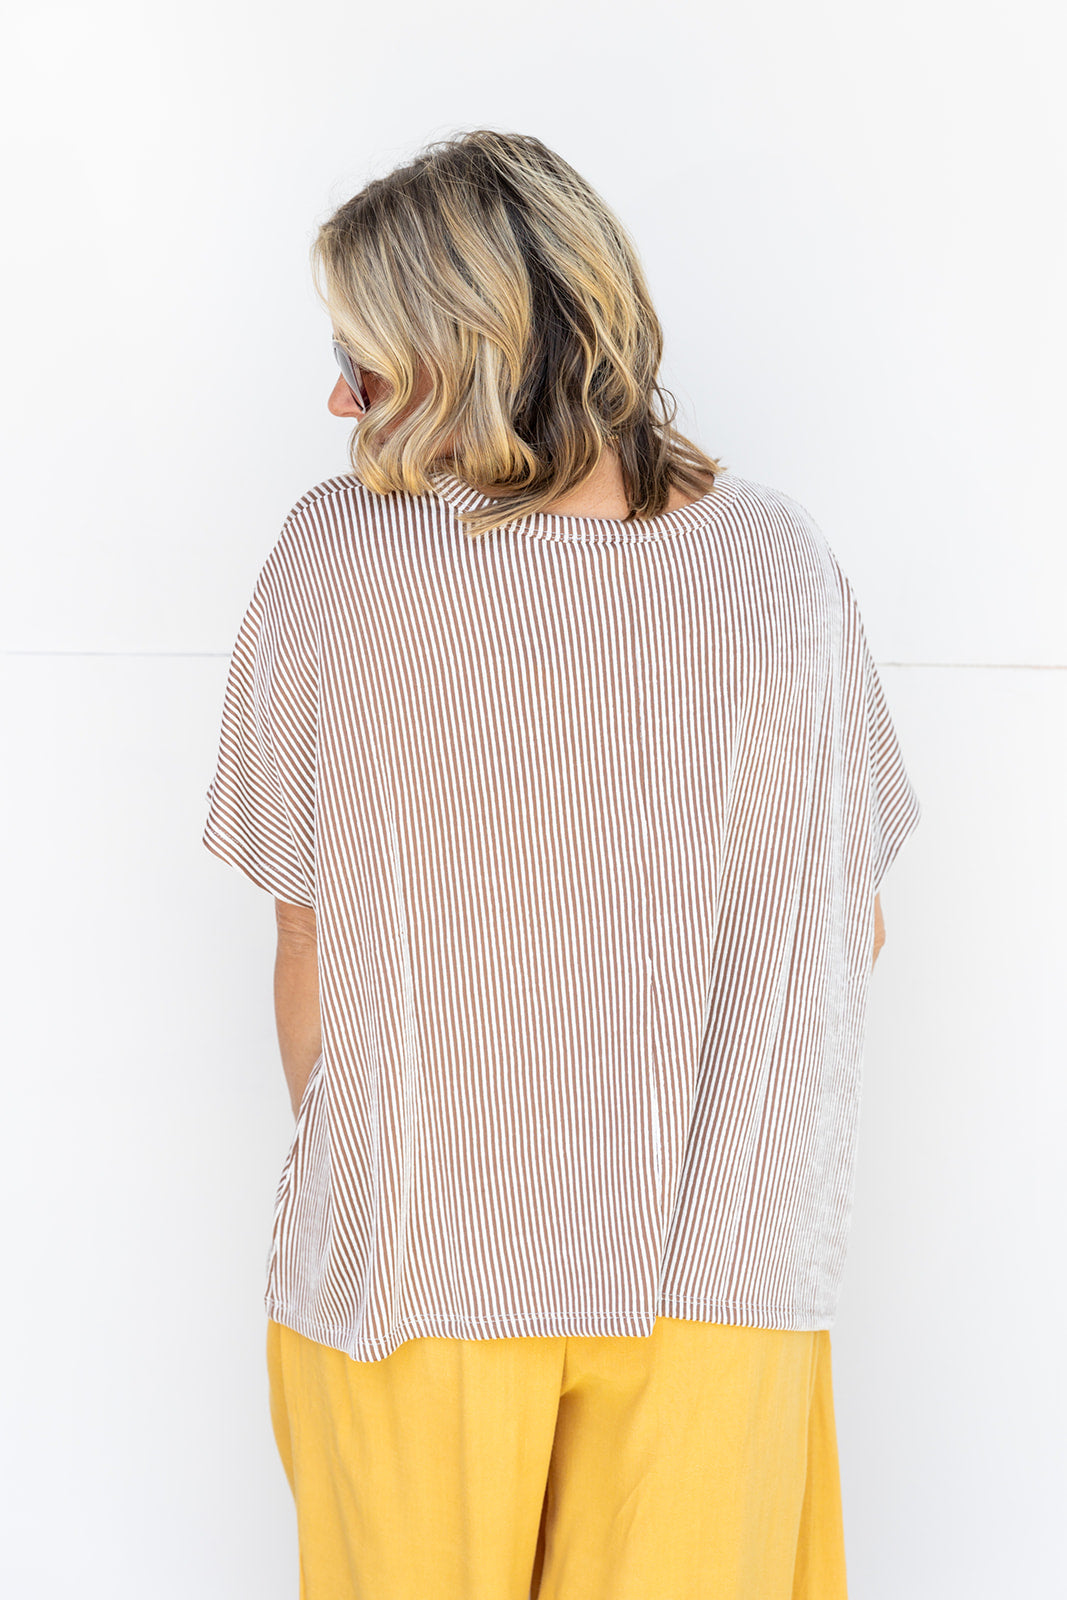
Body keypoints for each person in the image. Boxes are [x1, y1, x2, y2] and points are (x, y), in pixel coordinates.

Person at [202, 128, 921, 1600]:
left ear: (470, 353)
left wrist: (399, 1165)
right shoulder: (778, 570)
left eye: (363, 363)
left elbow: (305, 930)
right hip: (718, 1280)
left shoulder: (338, 558)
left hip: (416, 1273)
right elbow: (851, 930)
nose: (337, 401)